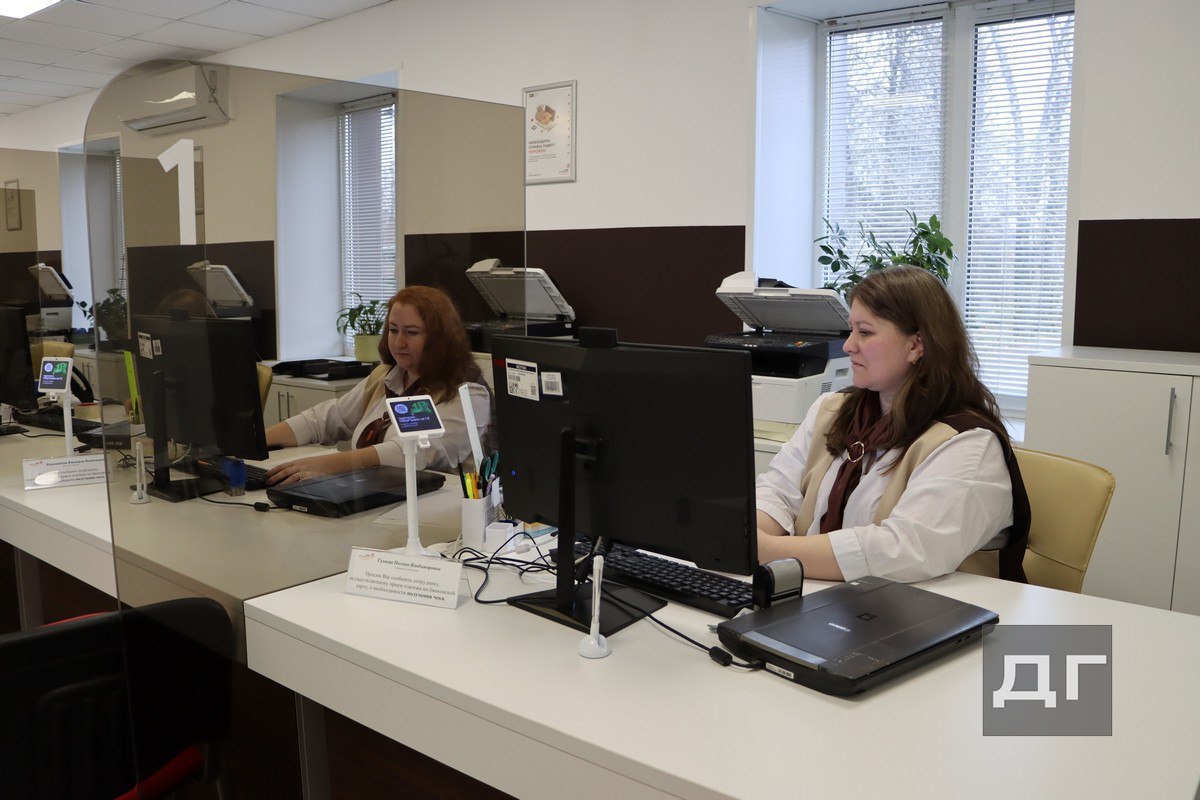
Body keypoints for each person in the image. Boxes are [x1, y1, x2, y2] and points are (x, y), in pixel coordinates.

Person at [755, 266, 1028, 583]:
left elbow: (904, 550)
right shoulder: (831, 410)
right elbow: (777, 491)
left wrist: (770, 550)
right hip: (829, 595)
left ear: (916, 345)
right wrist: (753, 535)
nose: (848, 345)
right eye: (851, 330)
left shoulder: (968, 444)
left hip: (922, 606)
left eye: (865, 332)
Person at [265, 285, 492, 486]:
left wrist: (329, 464)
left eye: (411, 332)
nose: (399, 342)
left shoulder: (469, 393)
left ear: (439, 338)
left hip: (436, 509)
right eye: (393, 330)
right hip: (371, 495)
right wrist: (258, 440)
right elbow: (326, 419)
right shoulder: (388, 374)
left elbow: (412, 452)